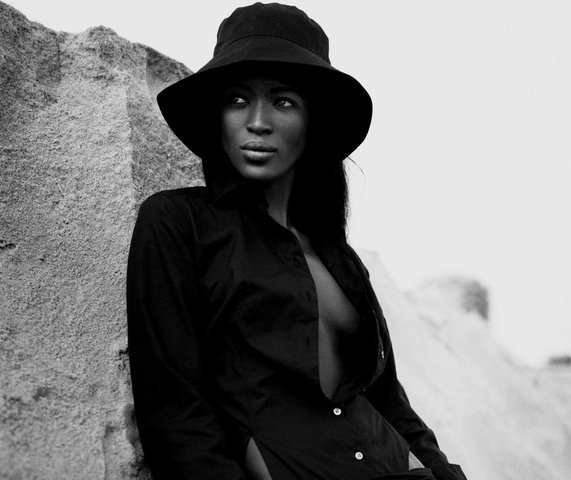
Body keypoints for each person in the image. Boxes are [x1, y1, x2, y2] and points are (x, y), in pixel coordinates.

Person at [127, 3, 467, 480]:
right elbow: (174, 414)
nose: (258, 121)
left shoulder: (340, 258)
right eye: (238, 100)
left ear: (312, 121)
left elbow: (389, 400)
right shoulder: (177, 222)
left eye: (283, 102)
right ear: (218, 115)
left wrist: (443, 473)